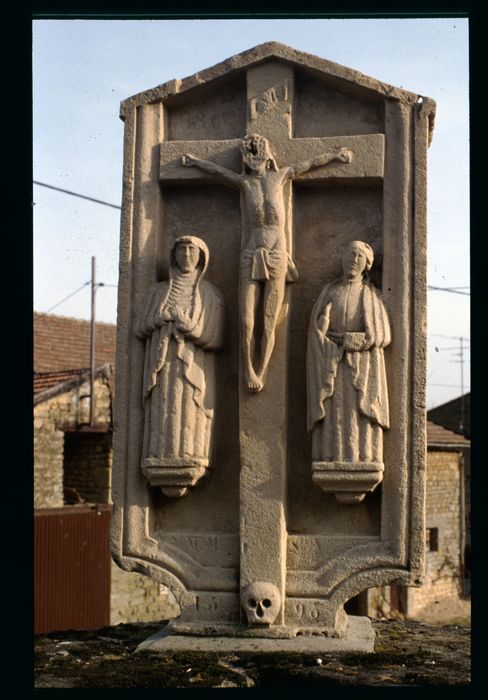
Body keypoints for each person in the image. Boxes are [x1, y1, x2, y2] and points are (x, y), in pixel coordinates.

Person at [182, 133, 352, 392]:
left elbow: (308, 164)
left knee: (269, 319)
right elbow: (218, 172)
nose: (254, 162)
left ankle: (261, 370)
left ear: (268, 158)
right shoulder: (244, 183)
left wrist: (335, 156)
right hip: (252, 251)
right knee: (246, 318)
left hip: (276, 252)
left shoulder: (280, 176)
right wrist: (195, 161)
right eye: (249, 159)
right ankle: (248, 367)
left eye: (258, 156)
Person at [137, 236, 224, 486]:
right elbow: (140, 327)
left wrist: (190, 328)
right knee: (163, 406)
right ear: (173, 255)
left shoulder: (209, 294)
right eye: (181, 250)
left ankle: (191, 454)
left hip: (193, 365)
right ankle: (158, 454)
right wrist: (159, 319)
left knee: (189, 409)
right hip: (162, 363)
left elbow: (216, 337)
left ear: (200, 257)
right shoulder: (160, 291)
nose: (186, 255)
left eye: (191, 250)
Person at [307, 240, 391, 467]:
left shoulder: (370, 295)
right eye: (350, 254)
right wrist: (322, 331)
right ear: (342, 258)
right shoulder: (330, 291)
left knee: (358, 415)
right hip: (331, 363)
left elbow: (381, 335)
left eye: (359, 257)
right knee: (334, 413)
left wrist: (351, 341)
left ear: (366, 265)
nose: (353, 260)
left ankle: (364, 458)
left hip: (361, 366)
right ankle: (328, 457)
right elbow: (315, 331)